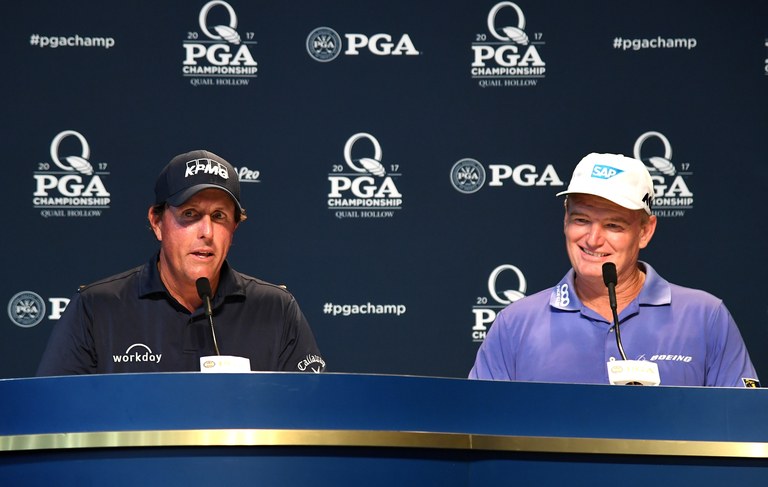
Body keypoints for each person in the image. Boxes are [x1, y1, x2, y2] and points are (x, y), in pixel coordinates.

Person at [469, 152, 758, 387]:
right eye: (581, 220)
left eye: (613, 225)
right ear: (565, 219)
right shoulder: (514, 324)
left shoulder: (705, 317)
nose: (593, 240)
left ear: (645, 231)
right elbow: (479, 428)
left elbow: (741, 429)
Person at [37, 149, 326, 375]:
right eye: (190, 214)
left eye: (219, 216)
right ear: (157, 222)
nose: (207, 232)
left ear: (235, 228)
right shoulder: (96, 308)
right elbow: (54, 417)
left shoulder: (277, 309)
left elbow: (312, 414)